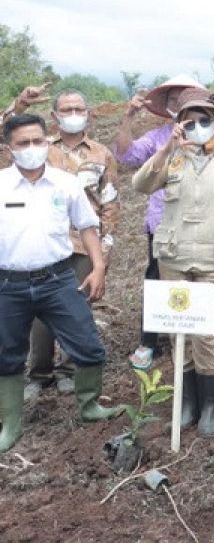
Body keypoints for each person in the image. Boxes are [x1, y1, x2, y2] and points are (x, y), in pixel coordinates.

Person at [131, 89, 214, 437]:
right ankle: (186, 401)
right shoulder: (173, 158)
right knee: (180, 330)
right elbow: (140, 184)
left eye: (207, 120)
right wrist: (166, 149)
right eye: (191, 121)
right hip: (174, 258)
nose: (200, 126)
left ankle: (210, 404)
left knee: (205, 331)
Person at [0, 113, 120, 453]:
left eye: (38, 141)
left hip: (57, 278)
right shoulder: (1, 185)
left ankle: (89, 405)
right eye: (23, 143)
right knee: (6, 354)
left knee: (88, 344)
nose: (32, 148)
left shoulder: (65, 184)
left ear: (46, 140)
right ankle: (10, 423)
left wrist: (98, 267)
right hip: (9, 284)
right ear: (10, 148)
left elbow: (86, 226)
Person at [25, 90, 121, 400]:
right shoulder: (40, 149)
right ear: (54, 116)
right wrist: (21, 104)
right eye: (66, 108)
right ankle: (38, 373)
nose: (73, 113)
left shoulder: (101, 154)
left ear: (89, 113)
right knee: (39, 310)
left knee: (75, 309)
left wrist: (101, 259)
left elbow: (110, 205)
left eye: (79, 108)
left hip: (83, 244)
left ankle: (68, 370)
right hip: (43, 242)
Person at [114, 73, 204, 369]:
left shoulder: (208, 135)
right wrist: (128, 117)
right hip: (163, 222)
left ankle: (198, 336)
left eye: (185, 97)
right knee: (156, 277)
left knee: (200, 275)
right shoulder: (157, 138)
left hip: (201, 221)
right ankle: (148, 341)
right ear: (167, 105)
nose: (179, 103)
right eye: (174, 98)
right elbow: (126, 155)